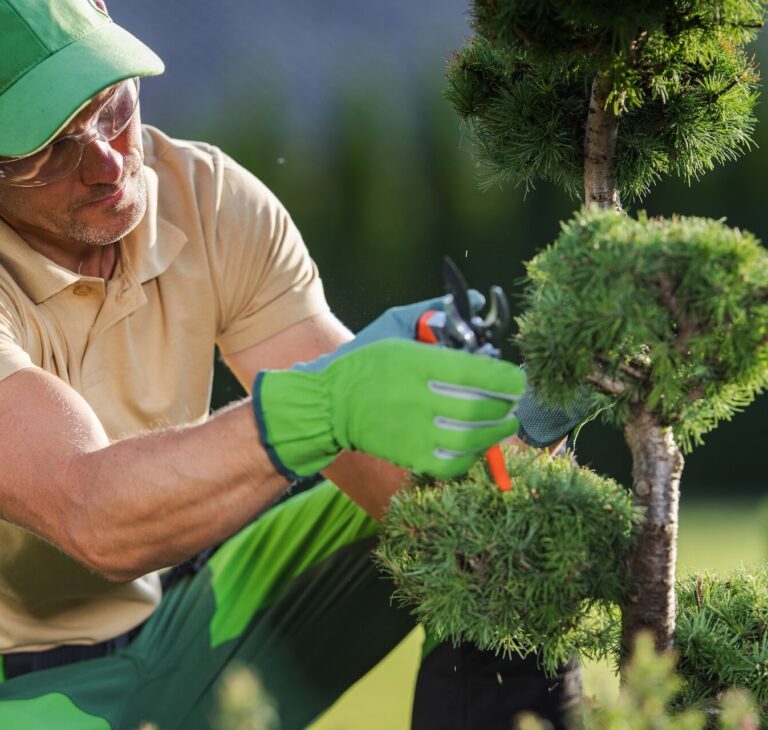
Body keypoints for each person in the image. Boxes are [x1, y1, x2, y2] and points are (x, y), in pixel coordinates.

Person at [0, 2, 585, 729]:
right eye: (49, 149)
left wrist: (511, 440)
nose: (109, 162)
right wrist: (321, 404)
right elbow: (95, 517)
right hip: (21, 693)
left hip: (184, 625)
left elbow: (383, 482)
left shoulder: (206, 200)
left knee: (482, 516)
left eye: (112, 104)